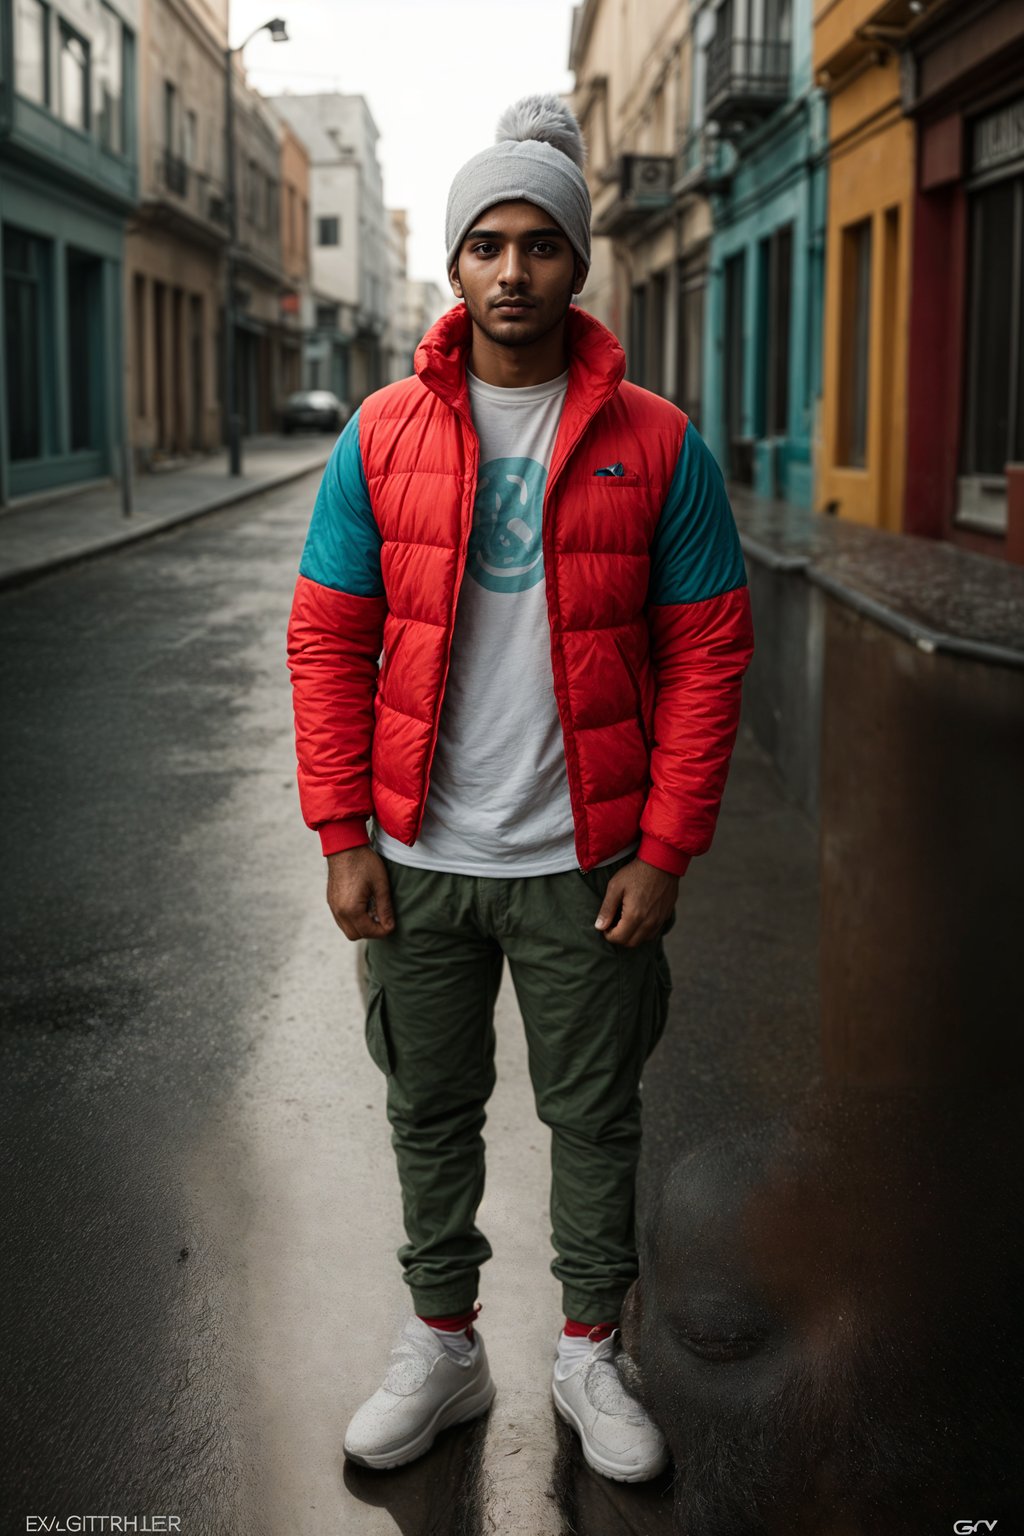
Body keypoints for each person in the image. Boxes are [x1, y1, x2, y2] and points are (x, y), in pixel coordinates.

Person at [286, 94, 754, 1483]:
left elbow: (710, 649)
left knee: (595, 1117)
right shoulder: (378, 433)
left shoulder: (660, 442)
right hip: (422, 856)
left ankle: (590, 1348)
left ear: (577, 263)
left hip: (583, 859)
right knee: (426, 1110)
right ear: (452, 267)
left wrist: (665, 846)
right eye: (485, 243)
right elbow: (328, 634)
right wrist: (339, 831)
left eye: (538, 244)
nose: (510, 271)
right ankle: (443, 1342)